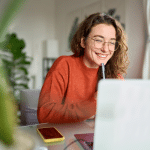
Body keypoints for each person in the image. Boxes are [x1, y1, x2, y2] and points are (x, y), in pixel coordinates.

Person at [37, 12, 129, 123]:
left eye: (111, 42)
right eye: (98, 40)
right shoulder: (64, 65)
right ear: (83, 42)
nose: (105, 49)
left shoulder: (114, 76)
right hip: (64, 138)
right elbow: (44, 113)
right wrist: (94, 103)